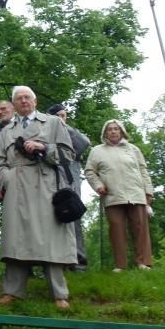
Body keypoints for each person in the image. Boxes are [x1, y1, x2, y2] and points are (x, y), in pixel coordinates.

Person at [0, 86, 76, 309]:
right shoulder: (6, 131)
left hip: (46, 186)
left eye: (27, 97)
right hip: (16, 188)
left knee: (51, 239)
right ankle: (12, 292)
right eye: (18, 99)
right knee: (15, 239)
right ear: (13, 105)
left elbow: (68, 155)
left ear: (35, 101)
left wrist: (43, 147)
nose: (23, 101)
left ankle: (59, 294)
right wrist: (7, 179)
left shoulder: (53, 123)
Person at [84, 119, 154, 272]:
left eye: (116, 128)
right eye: (109, 129)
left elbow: (143, 171)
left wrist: (148, 192)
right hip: (112, 195)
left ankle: (143, 263)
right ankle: (120, 265)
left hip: (136, 193)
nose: (113, 131)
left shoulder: (133, 149)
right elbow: (89, 171)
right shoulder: (97, 151)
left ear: (122, 131)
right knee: (116, 230)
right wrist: (98, 185)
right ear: (105, 133)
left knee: (140, 228)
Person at [47, 103, 91, 271]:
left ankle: (79, 262)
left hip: (71, 184)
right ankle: (57, 262)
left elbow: (84, 143)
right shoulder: (46, 133)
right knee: (52, 220)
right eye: (57, 116)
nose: (61, 119)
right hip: (51, 183)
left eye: (63, 116)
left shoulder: (72, 133)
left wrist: (64, 127)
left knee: (74, 218)